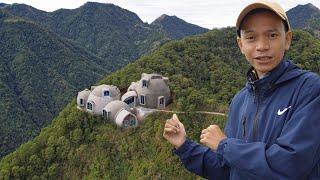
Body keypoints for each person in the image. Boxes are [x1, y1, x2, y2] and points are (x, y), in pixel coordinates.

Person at [163, 1, 320, 179]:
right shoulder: (240, 100)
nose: (262, 46)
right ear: (241, 45)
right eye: (251, 37)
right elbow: (228, 169)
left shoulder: (309, 89)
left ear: (287, 39)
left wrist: (224, 145)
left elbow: (291, 165)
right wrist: (183, 145)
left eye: (272, 35)